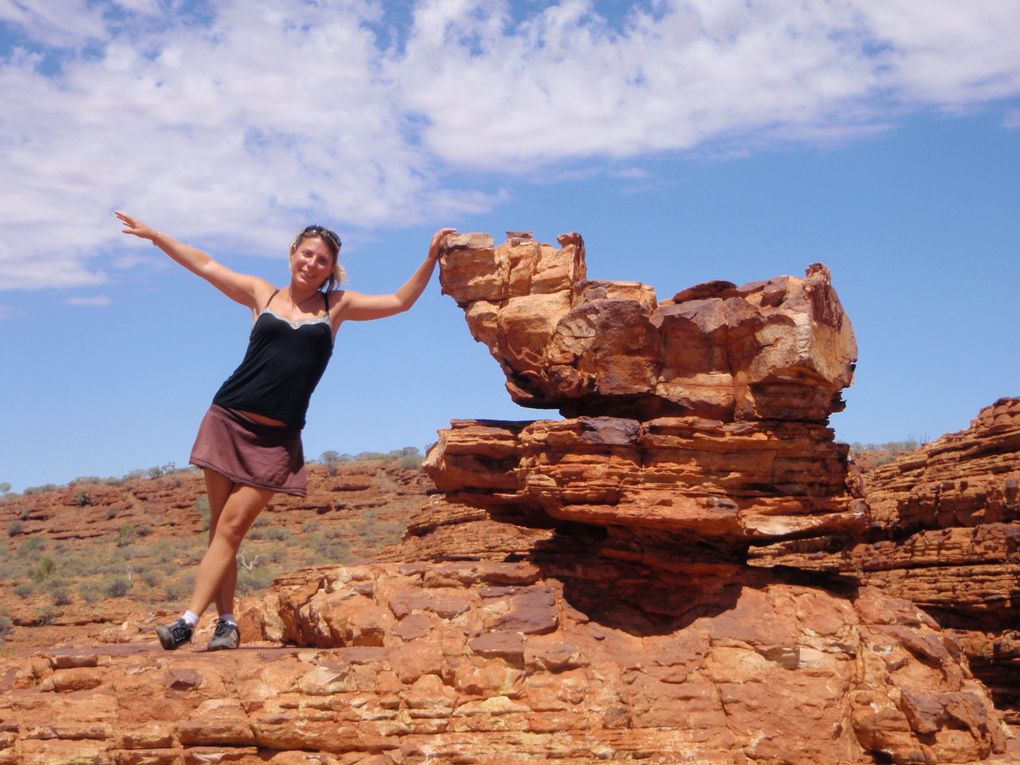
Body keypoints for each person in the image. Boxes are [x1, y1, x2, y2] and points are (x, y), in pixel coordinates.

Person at [116, 211, 456, 651]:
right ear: (293, 254)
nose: (312, 264)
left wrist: (430, 258)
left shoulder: (339, 306)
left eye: (322, 260)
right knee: (221, 529)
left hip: (277, 440)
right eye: (306, 254)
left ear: (331, 269)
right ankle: (227, 623)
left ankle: (186, 621)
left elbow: (400, 301)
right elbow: (205, 265)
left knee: (232, 527)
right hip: (227, 419)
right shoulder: (262, 293)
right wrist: (157, 236)